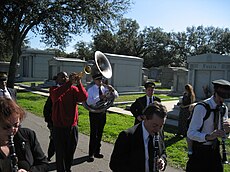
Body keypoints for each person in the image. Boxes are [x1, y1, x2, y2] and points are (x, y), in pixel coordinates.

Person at [110, 101, 167, 172]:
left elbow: (163, 152)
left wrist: (163, 161)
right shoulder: (127, 137)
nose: (158, 129)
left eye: (161, 126)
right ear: (145, 118)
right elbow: (115, 164)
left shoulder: (160, 131)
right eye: (154, 125)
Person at [186, 79, 230, 172]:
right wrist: (208, 136)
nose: (222, 100)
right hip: (200, 151)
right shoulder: (201, 107)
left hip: (214, 151)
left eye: (225, 97)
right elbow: (191, 133)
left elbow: (224, 136)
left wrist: (226, 131)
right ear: (215, 92)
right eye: (221, 96)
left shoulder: (224, 108)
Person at [49, 71, 88, 172]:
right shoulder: (54, 89)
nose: (64, 79)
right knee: (60, 153)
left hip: (72, 126)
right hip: (59, 127)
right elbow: (56, 95)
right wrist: (69, 83)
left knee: (70, 151)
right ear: (56, 79)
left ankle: (68, 168)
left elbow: (84, 97)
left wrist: (79, 83)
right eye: (62, 77)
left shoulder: (73, 89)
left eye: (66, 77)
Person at [0, 97, 48, 171]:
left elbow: (43, 164)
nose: (12, 130)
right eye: (6, 127)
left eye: (16, 125)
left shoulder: (27, 135)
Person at [86, 73, 118, 162]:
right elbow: (89, 102)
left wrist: (112, 90)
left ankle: (97, 151)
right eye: (98, 80)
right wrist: (99, 98)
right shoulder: (91, 89)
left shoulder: (105, 88)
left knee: (100, 133)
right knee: (93, 133)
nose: (100, 82)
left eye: (101, 80)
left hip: (102, 112)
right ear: (94, 80)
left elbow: (116, 96)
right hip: (94, 113)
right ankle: (91, 153)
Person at [43, 76, 58, 161]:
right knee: (54, 140)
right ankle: (49, 155)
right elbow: (47, 109)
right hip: (54, 122)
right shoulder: (53, 92)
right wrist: (49, 121)